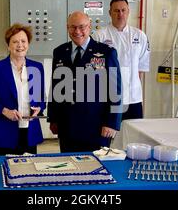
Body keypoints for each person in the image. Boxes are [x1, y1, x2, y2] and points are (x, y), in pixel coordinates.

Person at [47, 11, 122, 152]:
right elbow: (55, 86)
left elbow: (115, 90)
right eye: (73, 27)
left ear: (90, 27)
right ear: (67, 27)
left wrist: (112, 122)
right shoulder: (60, 52)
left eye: (82, 27)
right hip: (67, 124)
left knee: (96, 169)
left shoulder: (106, 52)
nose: (77, 31)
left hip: (97, 126)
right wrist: (53, 118)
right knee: (70, 167)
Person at [0, 23, 46, 156]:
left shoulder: (37, 68)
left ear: (28, 44)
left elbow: (41, 99)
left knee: (29, 171)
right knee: (4, 171)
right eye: (15, 42)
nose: (20, 45)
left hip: (30, 133)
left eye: (23, 41)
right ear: (8, 45)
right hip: (4, 133)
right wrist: (4, 111)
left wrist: (39, 109)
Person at [92, 0, 150, 120]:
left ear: (128, 11)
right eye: (116, 11)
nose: (120, 14)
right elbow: (95, 70)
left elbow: (141, 68)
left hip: (133, 97)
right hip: (108, 98)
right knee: (109, 135)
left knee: (134, 134)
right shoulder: (99, 36)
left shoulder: (140, 36)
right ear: (110, 13)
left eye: (123, 10)